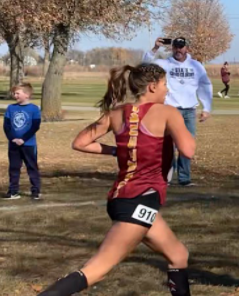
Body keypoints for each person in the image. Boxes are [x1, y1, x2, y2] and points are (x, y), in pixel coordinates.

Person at [37, 63, 196, 296]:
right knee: (97, 269)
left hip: (124, 199)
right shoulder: (167, 113)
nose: (167, 91)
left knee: (178, 255)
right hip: (140, 201)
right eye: (165, 85)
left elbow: (80, 143)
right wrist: (178, 127)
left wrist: (115, 150)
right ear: (152, 87)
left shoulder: (116, 113)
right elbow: (189, 150)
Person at [143, 36, 212, 187]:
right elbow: (144, 65)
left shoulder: (196, 66)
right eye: (175, 47)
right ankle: (165, 178)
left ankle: (184, 179)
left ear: (187, 48)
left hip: (189, 111)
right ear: (172, 48)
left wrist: (206, 107)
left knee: (186, 146)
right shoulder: (164, 64)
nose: (178, 50)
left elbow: (205, 86)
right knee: (168, 146)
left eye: (181, 47)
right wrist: (155, 48)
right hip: (170, 110)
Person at [2, 82, 41, 200]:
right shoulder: (11, 108)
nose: (15, 95)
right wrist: (13, 138)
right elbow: (6, 126)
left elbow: (35, 126)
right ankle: (13, 191)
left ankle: (35, 191)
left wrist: (23, 139)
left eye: (18, 93)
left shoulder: (34, 109)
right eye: (14, 93)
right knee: (14, 168)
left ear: (27, 94)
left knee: (31, 167)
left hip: (28, 144)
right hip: (13, 145)